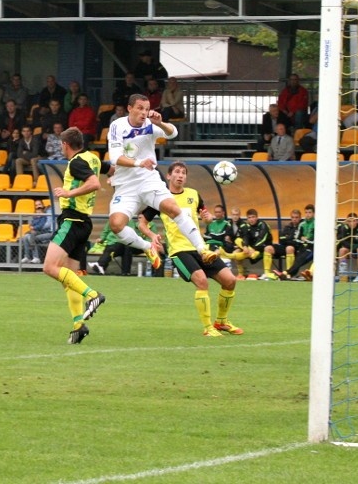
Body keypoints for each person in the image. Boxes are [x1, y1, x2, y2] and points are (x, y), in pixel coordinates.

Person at [107, 93, 218, 270]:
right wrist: (139, 162)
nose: (144, 113)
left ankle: (203, 249)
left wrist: (160, 123)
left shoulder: (151, 124)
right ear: (130, 108)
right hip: (125, 185)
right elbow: (114, 158)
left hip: (148, 180)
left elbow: (173, 133)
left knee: (174, 209)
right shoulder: (117, 125)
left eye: (147, 109)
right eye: (140, 108)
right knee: (116, 225)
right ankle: (147, 247)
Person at [139, 161, 243, 337]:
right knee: (202, 282)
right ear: (169, 176)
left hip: (199, 248)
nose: (181, 175)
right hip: (179, 251)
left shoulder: (194, 195)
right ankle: (208, 327)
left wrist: (208, 218)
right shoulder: (160, 198)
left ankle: (221, 322)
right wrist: (151, 236)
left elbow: (206, 218)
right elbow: (141, 222)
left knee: (230, 280)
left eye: (184, 173)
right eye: (177, 172)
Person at [42, 126, 105, 344]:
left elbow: (94, 183)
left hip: (72, 219)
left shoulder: (76, 162)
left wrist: (69, 192)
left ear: (65, 145)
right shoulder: (93, 159)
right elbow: (108, 170)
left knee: (50, 267)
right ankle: (78, 325)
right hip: (83, 222)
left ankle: (93, 296)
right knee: (69, 278)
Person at [223, 208, 272, 280]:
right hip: (250, 251)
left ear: (257, 217)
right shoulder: (246, 226)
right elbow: (244, 239)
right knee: (237, 246)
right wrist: (242, 246)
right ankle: (240, 275)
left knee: (268, 248)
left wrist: (253, 248)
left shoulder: (262, 224)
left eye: (253, 217)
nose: (251, 219)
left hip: (262, 248)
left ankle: (267, 274)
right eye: (249, 218)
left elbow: (262, 239)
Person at [274, 204, 316, 281]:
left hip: (313, 247)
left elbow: (316, 238)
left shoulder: (317, 224)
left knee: (300, 260)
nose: (307, 214)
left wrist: (306, 239)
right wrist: (303, 239)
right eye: (306, 212)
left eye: (309, 212)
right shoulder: (302, 224)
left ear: (313, 213)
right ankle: (289, 275)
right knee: (298, 261)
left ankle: (285, 273)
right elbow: (297, 238)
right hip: (303, 246)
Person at [263, 210, 300, 279]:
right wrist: (290, 239)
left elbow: (297, 241)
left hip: (295, 248)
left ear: (299, 218)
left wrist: (288, 238)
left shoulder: (301, 227)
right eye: (293, 217)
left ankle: (289, 273)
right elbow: (281, 239)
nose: (294, 219)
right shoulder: (287, 227)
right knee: (268, 248)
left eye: (296, 217)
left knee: (289, 248)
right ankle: (266, 273)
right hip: (284, 246)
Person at [336, 213, 358, 282]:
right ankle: (343, 275)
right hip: (351, 248)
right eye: (349, 221)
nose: (352, 223)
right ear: (347, 222)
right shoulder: (344, 228)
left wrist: (352, 249)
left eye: (354, 221)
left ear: (357, 221)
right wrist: (351, 249)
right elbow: (343, 242)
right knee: (342, 250)